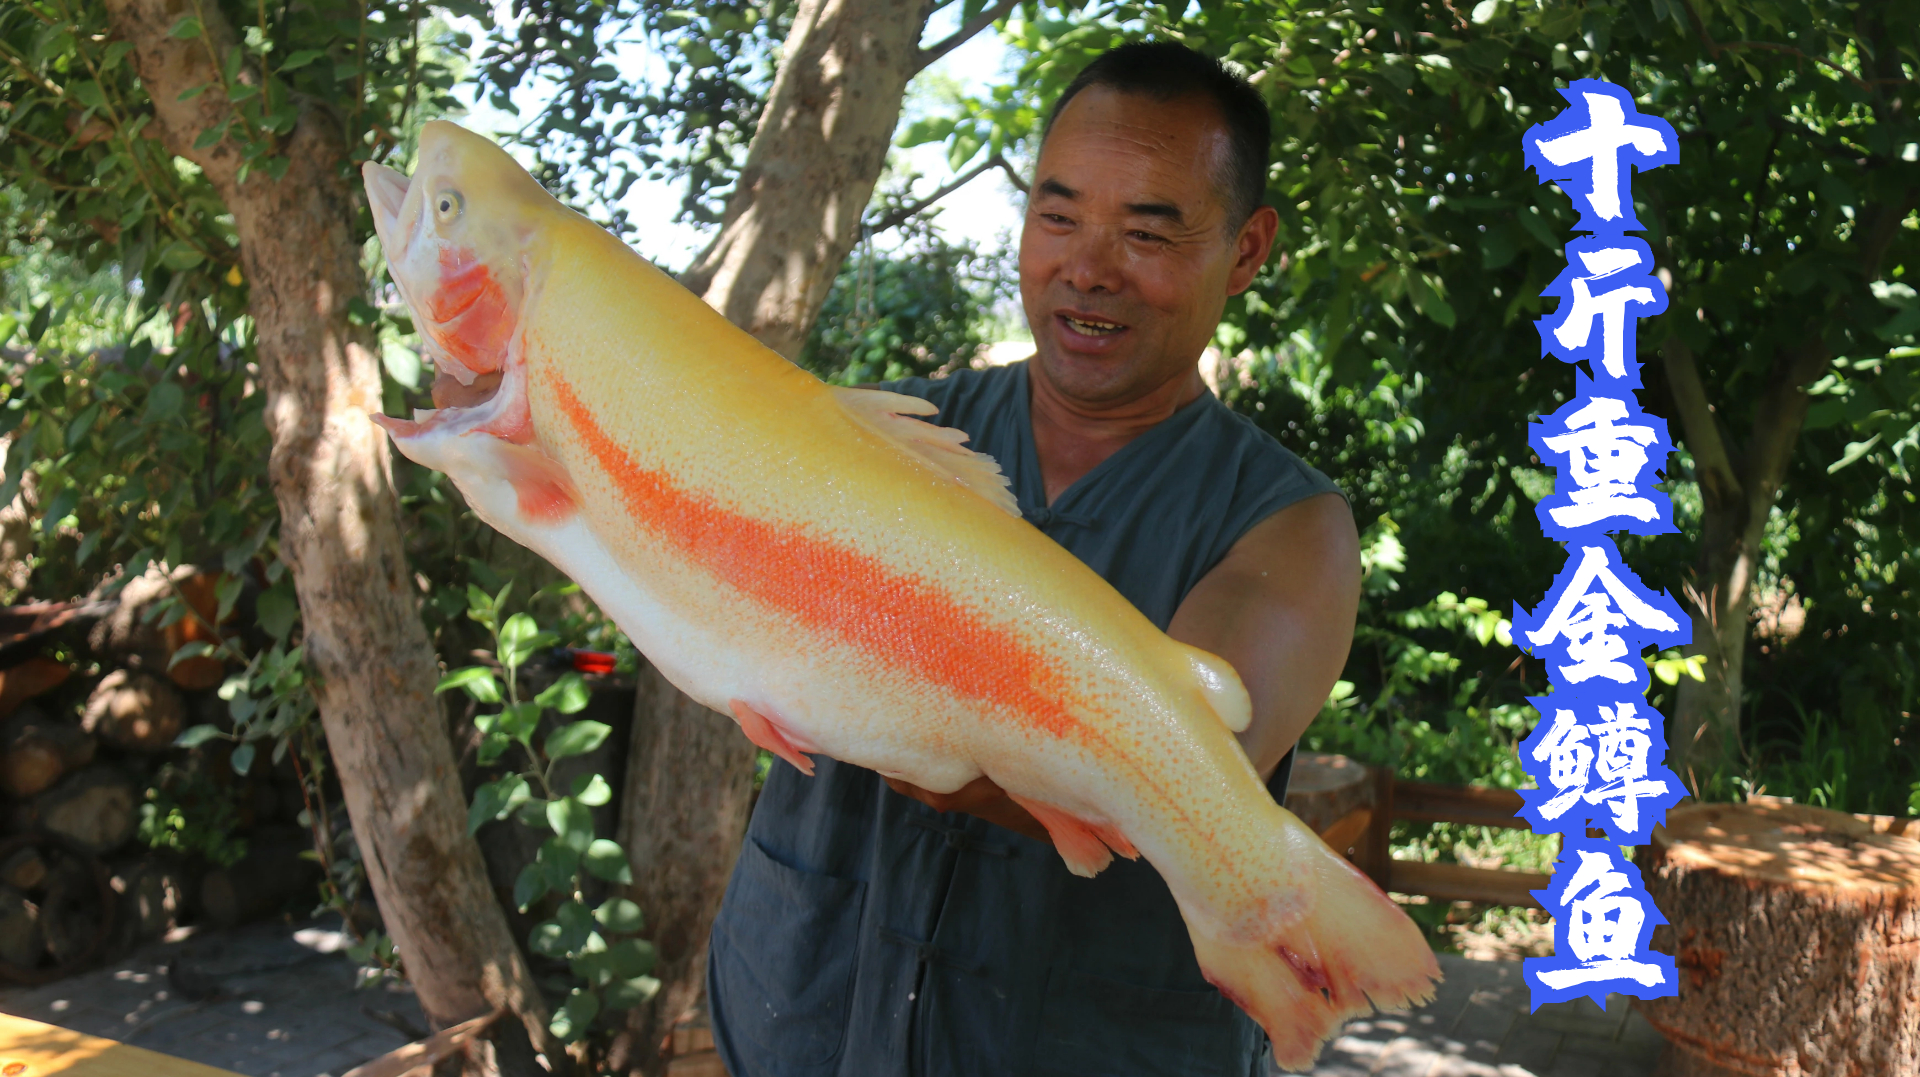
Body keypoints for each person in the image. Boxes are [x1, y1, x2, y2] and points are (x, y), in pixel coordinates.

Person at [707, 42, 1360, 1077]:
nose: (1087, 266)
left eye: (1147, 230)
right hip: (802, 1016)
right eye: (1058, 218)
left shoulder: (1286, 526)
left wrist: (865, 676)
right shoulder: (890, 437)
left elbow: (1178, 772)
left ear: (1245, 251)